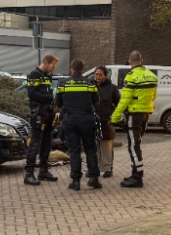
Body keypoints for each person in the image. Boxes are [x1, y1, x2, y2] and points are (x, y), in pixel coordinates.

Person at [110, 51, 158, 188]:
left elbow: (124, 100)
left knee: (133, 145)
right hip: (146, 113)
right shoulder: (152, 76)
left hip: (134, 114)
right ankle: (135, 173)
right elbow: (154, 96)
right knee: (137, 143)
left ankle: (137, 177)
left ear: (130, 62)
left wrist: (114, 118)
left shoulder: (131, 77)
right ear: (141, 61)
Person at [56, 59, 102, 190]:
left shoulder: (63, 83)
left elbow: (58, 103)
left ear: (72, 69)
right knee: (90, 149)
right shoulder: (90, 83)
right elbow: (96, 101)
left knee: (74, 151)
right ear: (82, 70)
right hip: (86, 119)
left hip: (69, 120)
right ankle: (94, 178)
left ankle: (75, 181)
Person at [24, 53, 60, 186]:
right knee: (35, 142)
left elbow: (46, 91)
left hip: (48, 112)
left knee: (46, 141)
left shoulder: (47, 76)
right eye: (53, 65)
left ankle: (43, 170)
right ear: (46, 62)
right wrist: (50, 99)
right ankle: (29, 173)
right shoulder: (34, 75)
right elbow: (32, 94)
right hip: (38, 112)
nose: (54, 69)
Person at [94, 65, 120, 178]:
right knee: (95, 145)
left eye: (100, 75)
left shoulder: (112, 88)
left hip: (106, 121)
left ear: (105, 76)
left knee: (106, 145)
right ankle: (95, 167)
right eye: (96, 74)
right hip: (93, 120)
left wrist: (112, 116)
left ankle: (108, 168)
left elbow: (118, 104)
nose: (98, 77)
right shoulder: (91, 86)